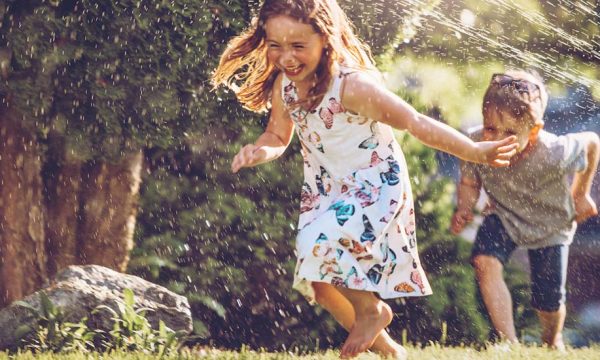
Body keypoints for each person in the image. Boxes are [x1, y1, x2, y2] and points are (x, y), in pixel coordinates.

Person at [212, 1, 518, 357]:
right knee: (320, 283)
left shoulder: (351, 86)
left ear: (324, 39)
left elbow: (415, 122)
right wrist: (258, 151)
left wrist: (473, 151)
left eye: (298, 46)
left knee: (317, 246)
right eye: (275, 46)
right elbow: (278, 136)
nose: (286, 57)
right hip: (327, 192)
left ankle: (372, 310)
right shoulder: (287, 87)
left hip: (375, 185)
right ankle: (390, 351)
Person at [451, 69, 600, 350]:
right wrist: (465, 207)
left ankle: (551, 340)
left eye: (510, 132)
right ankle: (508, 343)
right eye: (490, 128)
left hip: (550, 225)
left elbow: (593, 141)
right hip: (504, 215)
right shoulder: (475, 144)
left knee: (547, 300)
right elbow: (470, 180)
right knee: (485, 262)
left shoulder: (556, 151)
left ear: (534, 132)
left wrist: (580, 194)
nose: (496, 138)